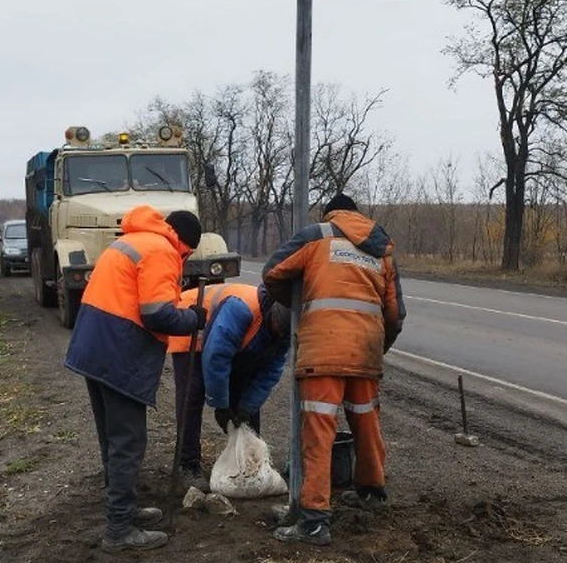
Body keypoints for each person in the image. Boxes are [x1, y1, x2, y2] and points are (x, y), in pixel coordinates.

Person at [261, 193, 406, 546]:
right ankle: (372, 491)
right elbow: (395, 315)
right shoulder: (381, 246)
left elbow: (272, 272)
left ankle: (313, 522)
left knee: (319, 433)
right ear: (357, 214)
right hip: (365, 352)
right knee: (366, 423)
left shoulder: (316, 235)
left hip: (323, 350)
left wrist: (295, 300)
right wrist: (376, 350)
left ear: (330, 214)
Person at [64, 205, 208, 553]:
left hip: (93, 347)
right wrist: (192, 319)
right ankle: (119, 529)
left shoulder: (134, 240)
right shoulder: (162, 250)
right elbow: (157, 313)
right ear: (183, 243)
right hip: (119, 353)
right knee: (128, 443)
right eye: (186, 255)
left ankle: (123, 511)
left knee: (112, 441)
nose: (184, 261)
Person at [167, 283, 291, 488]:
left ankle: (251, 464)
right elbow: (217, 358)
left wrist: (245, 408)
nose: (279, 334)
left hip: (228, 340)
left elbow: (268, 375)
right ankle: (187, 464)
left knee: (244, 400)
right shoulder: (242, 309)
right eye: (277, 329)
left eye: (283, 333)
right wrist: (220, 404)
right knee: (193, 392)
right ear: (272, 316)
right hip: (194, 324)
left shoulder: (283, 333)